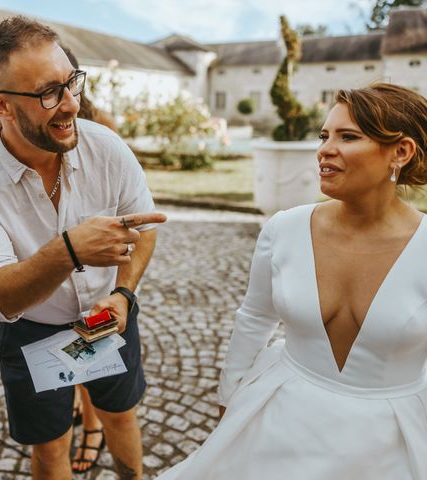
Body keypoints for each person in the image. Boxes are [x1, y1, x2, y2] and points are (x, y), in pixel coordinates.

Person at [156, 82, 427, 479]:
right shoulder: (285, 228)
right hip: (278, 418)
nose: (324, 149)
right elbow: (254, 317)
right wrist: (229, 398)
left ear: (400, 152)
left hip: (390, 437)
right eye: (324, 136)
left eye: (347, 136)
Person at [0, 16, 166, 480]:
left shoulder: (107, 148)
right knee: (49, 448)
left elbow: (144, 228)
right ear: (1, 105)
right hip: (33, 330)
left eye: (72, 83)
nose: (70, 104)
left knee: (121, 415)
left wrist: (123, 294)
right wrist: (70, 250)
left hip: (109, 316)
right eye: (49, 93)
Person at [63, 45, 118, 474]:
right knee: (64, 350)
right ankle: (78, 411)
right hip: (55, 266)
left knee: (93, 348)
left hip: (98, 267)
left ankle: (94, 426)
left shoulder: (99, 127)